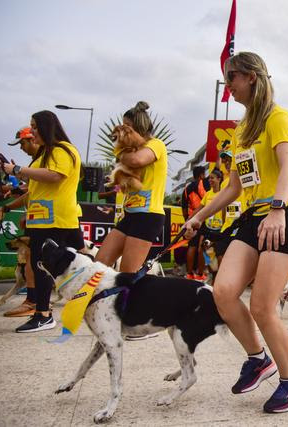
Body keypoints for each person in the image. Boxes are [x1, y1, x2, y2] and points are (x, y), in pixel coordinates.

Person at [184, 51, 288, 413]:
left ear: (251, 77)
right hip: (255, 217)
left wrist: (277, 209)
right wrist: (199, 216)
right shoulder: (241, 130)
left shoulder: (278, 117)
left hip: (284, 213)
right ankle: (258, 359)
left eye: (232, 80)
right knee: (222, 292)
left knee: (262, 305)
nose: (228, 89)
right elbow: (234, 188)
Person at [2, 111, 84, 332]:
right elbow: (40, 184)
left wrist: (18, 170)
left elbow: (55, 176)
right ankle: (42, 312)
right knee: (41, 265)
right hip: (41, 219)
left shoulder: (63, 150)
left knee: (46, 266)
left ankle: (44, 314)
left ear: (47, 127)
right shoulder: (46, 153)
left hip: (55, 218)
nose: (33, 131)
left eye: (35, 127)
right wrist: (19, 187)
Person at [95, 102, 167, 340]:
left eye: (127, 126)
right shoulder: (125, 151)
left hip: (149, 216)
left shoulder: (156, 145)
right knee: (101, 262)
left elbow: (136, 161)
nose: (121, 131)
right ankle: (109, 312)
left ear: (138, 127)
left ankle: (142, 323)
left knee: (129, 272)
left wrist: (121, 151)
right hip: (130, 215)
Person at [0, 127, 40, 317]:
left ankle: (34, 302)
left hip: (55, 218)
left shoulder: (43, 162)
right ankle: (35, 301)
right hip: (41, 217)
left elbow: (32, 192)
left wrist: (8, 207)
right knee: (33, 259)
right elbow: (31, 192)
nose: (21, 148)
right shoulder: (36, 162)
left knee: (34, 260)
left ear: (33, 139)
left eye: (22, 143)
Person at [182, 166, 210, 280]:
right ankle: (199, 273)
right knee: (202, 247)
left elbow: (184, 207)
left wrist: (187, 220)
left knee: (191, 246)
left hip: (191, 219)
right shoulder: (205, 184)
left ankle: (189, 273)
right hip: (204, 218)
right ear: (201, 175)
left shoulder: (186, 188)